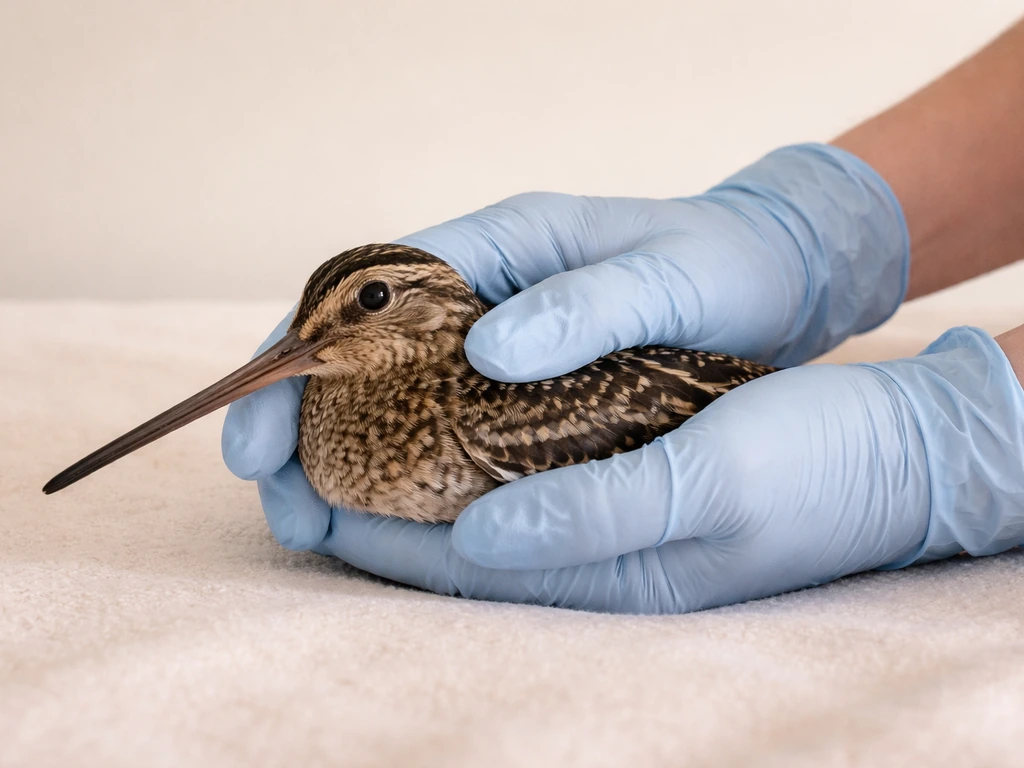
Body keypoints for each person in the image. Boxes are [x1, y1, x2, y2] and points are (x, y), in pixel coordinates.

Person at [220, 19, 1024, 613]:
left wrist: (949, 447)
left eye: (366, 304)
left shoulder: (475, 410)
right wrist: (812, 232)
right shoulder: (338, 393)